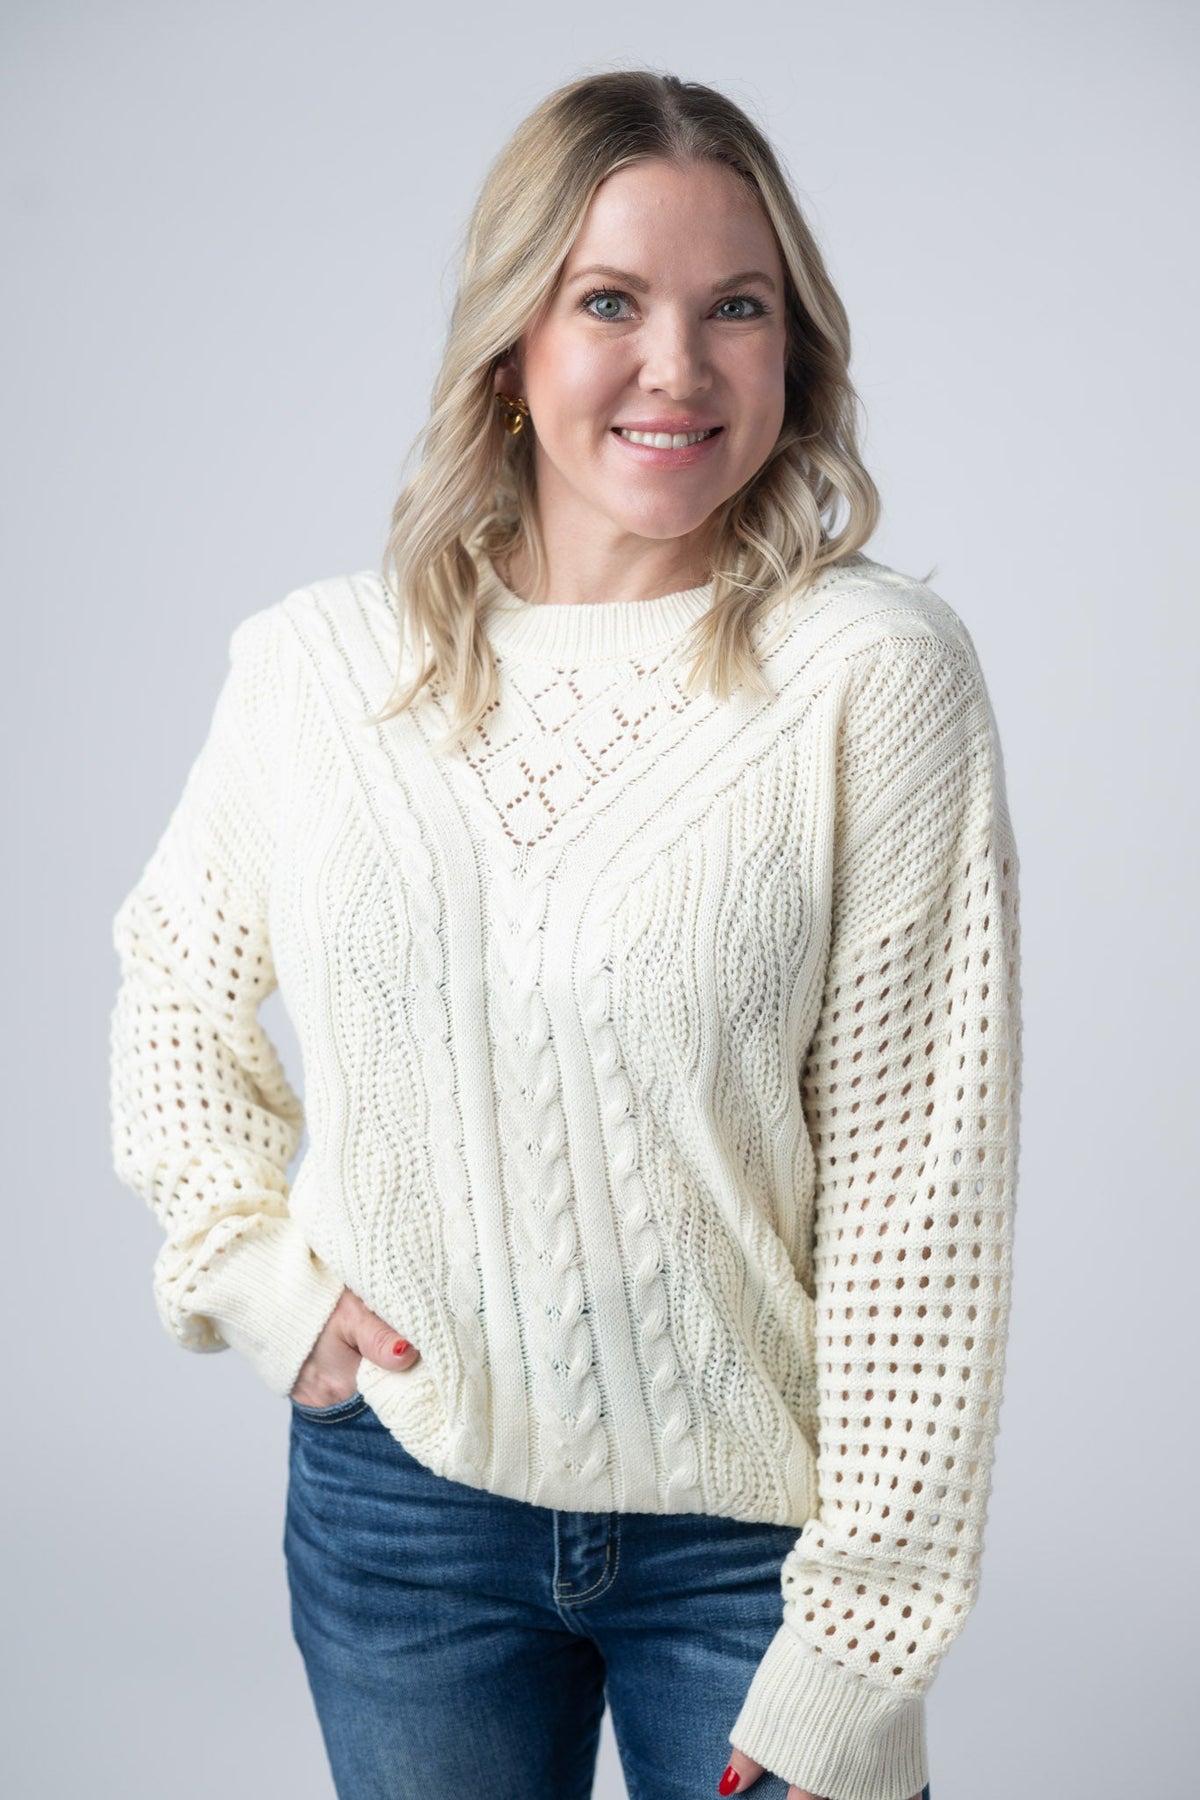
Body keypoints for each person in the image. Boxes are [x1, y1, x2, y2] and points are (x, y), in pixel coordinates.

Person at [107, 67, 1020, 1800]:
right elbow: (176, 989)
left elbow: (922, 1189)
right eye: (610, 302)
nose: (678, 364)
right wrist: (255, 1278)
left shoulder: (870, 677)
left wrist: (864, 1634)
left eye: (735, 307)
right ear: (511, 344)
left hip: (759, 1556)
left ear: (794, 352)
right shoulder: (319, 669)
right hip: (406, 1519)